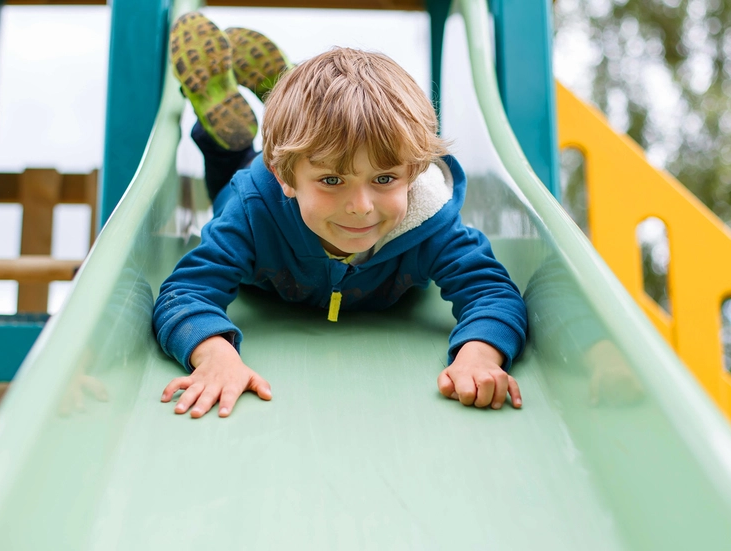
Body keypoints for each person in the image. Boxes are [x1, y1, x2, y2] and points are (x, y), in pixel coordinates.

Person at [153, 12, 529, 419]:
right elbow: (184, 292)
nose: (361, 206)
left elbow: (491, 291)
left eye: (384, 178)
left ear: (414, 172)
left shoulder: (430, 223)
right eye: (333, 181)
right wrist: (214, 355)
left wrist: (480, 353)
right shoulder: (250, 213)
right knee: (233, 173)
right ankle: (231, 133)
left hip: (296, 165)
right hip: (258, 187)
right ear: (285, 178)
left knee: (322, 146)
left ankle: (293, 108)